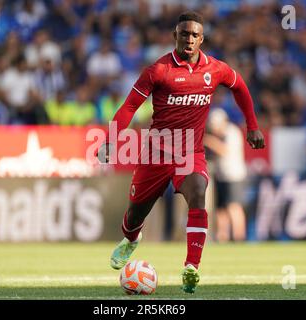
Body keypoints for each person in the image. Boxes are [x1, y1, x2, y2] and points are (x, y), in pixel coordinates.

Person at [97, 12, 265, 294]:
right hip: (156, 152)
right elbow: (129, 106)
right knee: (135, 214)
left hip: (191, 152)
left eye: (194, 35)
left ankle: (191, 267)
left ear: (202, 39)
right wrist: (111, 139)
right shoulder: (158, 70)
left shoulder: (216, 69)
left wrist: (253, 126)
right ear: (175, 36)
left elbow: (240, 87)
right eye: (183, 34)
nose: (189, 39)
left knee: (199, 191)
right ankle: (130, 239)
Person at [204, 109, 248, 242]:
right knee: (221, 209)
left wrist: (208, 140)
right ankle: (222, 237)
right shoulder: (220, 135)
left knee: (234, 206)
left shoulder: (232, 132)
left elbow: (225, 151)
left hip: (233, 175)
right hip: (221, 175)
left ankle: (238, 237)